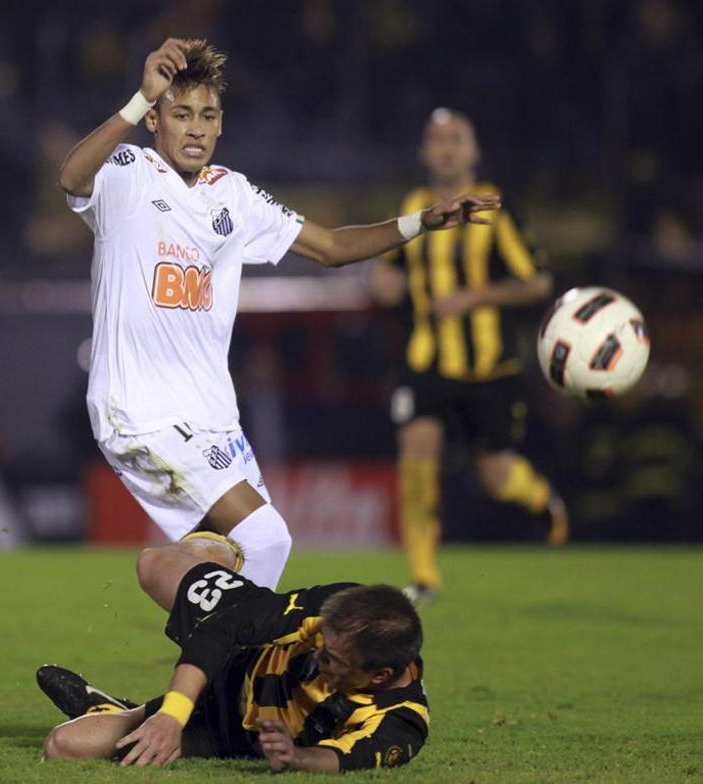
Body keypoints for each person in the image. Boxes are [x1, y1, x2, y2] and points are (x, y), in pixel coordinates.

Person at [59, 39, 500, 589]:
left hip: (213, 417)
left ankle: (199, 671)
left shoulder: (234, 196)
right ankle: (218, 660)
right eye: (180, 114)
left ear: (221, 125)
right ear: (154, 119)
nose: (196, 128)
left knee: (239, 567)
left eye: (208, 115)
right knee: (268, 538)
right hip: (142, 410)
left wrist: (420, 223)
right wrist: (133, 99)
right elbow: (73, 178)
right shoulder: (129, 172)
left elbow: (332, 248)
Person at [371, 108, 568, 604]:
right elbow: (391, 270)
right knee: (416, 455)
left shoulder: (497, 210)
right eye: (437, 140)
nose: (446, 149)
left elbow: (539, 282)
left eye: (456, 139)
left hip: (489, 368)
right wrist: (384, 281)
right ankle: (423, 575)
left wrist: (475, 297)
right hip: (425, 364)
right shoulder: (413, 205)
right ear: (423, 152)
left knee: (499, 477)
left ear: (474, 151)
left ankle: (542, 499)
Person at [37, 537, 429, 772]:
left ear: (379, 676)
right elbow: (221, 628)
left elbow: (345, 760)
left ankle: (120, 711)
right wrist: (173, 716)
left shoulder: (400, 723)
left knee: (63, 746)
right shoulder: (333, 609)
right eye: (321, 645)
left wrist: (296, 757)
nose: (317, 658)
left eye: (333, 662)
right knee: (153, 563)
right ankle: (222, 547)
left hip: (227, 730)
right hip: (247, 650)